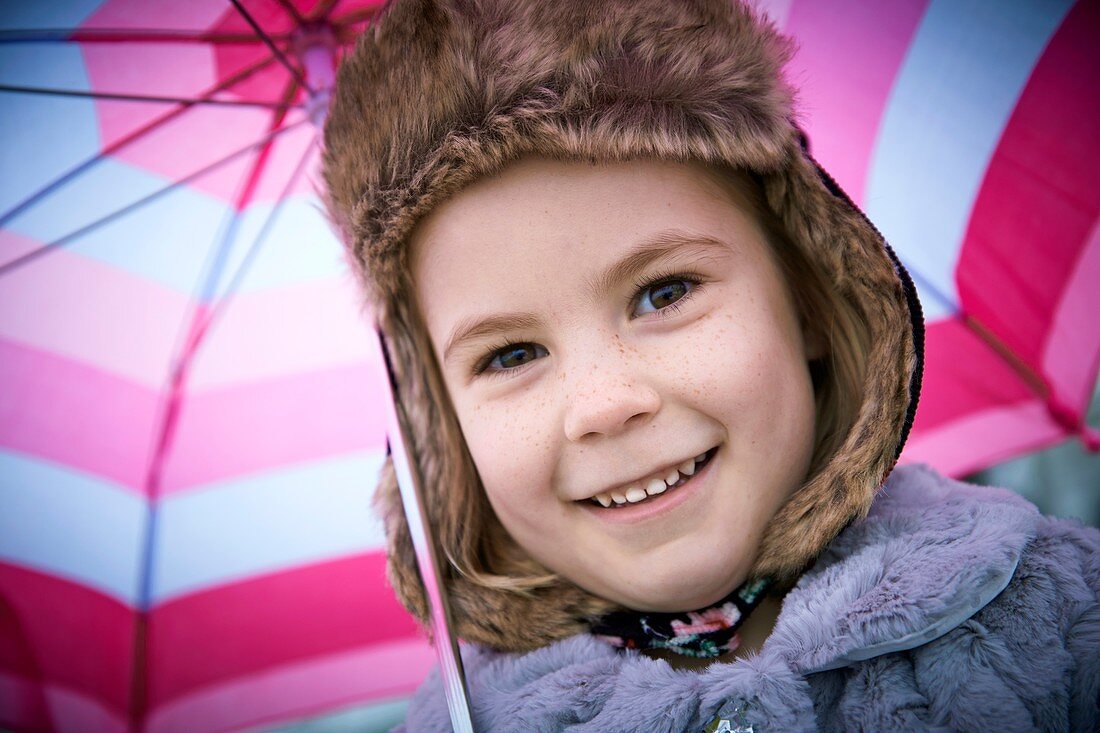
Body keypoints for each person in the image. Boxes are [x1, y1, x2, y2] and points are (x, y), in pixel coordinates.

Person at [320, 0, 1100, 730]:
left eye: (664, 292)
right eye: (511, 354)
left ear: (809, 295)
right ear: (440, 431)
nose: (604, 404)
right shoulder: (465, 719)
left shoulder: (1055, 613)